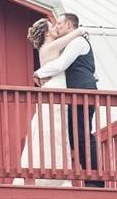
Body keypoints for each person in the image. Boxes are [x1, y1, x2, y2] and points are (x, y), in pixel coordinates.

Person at [12, 17, 87, 187]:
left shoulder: (45, 48)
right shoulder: (51, 46)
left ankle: (52, 173)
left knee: (51, 132)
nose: (55, 28)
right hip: (55, 91)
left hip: (52, 90)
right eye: (52, 26)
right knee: (56, 133)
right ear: (46, 32)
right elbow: (71, 37)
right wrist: (81, 31)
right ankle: (56, 177)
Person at [34, 13, 104, 188]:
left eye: (59, 23)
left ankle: (94, 179)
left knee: (83, 135)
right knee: (75, 137)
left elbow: (62, 64)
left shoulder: (78, 42)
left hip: (83, 93)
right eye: (54, 25)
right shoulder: (68, 43)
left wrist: (38, 73)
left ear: (69, 25)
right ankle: (87, 176)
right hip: (74, 95)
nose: (56, 27)